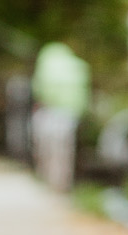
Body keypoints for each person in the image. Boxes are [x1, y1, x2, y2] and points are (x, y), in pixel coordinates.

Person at [30, 41, 90, 193]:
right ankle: (62, 183)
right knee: (64, 150)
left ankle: (47, 178)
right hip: (69, 115)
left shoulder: (47, 65)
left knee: (46, 148)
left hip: (50, 112)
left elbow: (38, 90)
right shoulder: (78, 66)